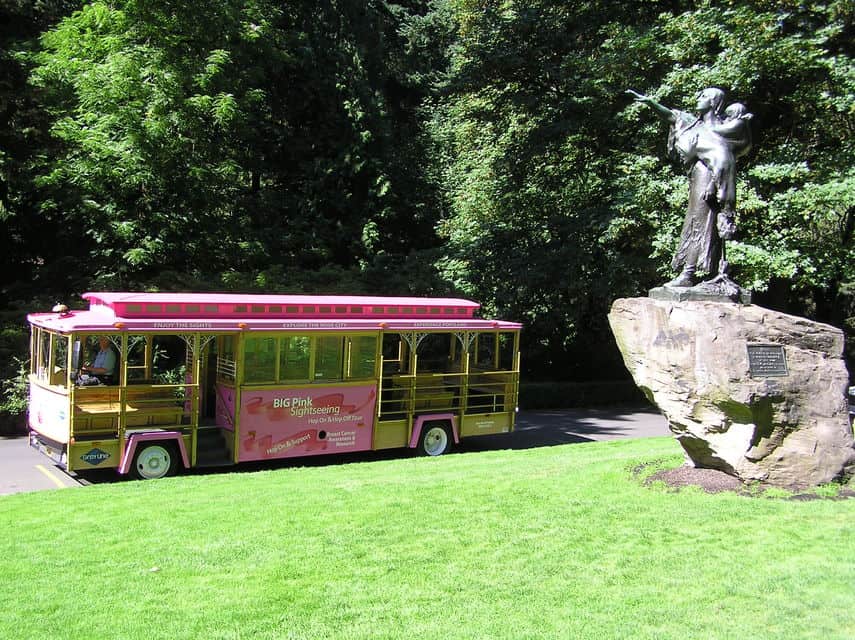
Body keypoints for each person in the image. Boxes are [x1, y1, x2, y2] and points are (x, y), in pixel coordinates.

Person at [626, 87, 750, 288]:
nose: (698, 99)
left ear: (713, 102)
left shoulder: (723, 129)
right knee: (696, 222)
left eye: (703, 96)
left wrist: (713, 184)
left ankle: (690, 273)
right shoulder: (694, 124)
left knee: (700, 223)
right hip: (699, 177)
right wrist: (651, 103)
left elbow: (726, 159)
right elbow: (672, 116)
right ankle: (698, 273)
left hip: (712, 179)